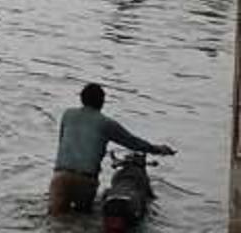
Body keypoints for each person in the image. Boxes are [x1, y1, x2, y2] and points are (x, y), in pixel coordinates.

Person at [49, 83, 175, 216]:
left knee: (55, 220)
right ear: (102, 102)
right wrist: (157, 149)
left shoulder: (68, 115)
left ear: (81, 98)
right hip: (86, 179)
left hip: (60, 176)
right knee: (82, 220)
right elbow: (132, 142)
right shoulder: (106, 123)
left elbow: (61, 141)